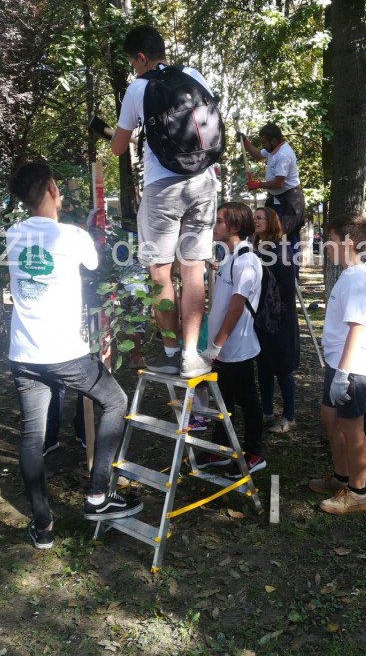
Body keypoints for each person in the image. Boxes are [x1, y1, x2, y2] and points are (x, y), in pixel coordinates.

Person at [6, 160, 142, 549]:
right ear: (51, 189)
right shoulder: (73, 237)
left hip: (24, 353)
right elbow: (96, 264)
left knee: (32, 434)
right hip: (63, 351)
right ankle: (99, 496)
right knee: (115, 400)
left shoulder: (13, 234)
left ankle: (42, 522)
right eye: (58, 187)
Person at [111, 25, 217, 379]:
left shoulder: (138, 88)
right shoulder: (191, 75)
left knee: (160, 271)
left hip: (163, 188)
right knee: (193, 270)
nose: (133, 68)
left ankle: (171, 352)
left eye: (132, 61)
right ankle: (191, 354)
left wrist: (117, 133)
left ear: (140, 57)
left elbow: (117, 147)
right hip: (203, 183)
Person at [309, 213, 366, 514]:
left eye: (331, 240)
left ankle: (358, 493)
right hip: (339, 363)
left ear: (348, 242)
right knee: (330, 417)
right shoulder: (349, 273)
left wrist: (342, 374)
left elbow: (357, 328)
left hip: (352, 366)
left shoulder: (355, 278)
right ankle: (341, 478)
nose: (327, 246)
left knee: (352, 428)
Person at [196, 202, 265, 475]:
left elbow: (236, 308)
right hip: (224, 349)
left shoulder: (248, 260)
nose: (215, 225)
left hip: (237, 348)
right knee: (223, 401)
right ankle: (223, 449)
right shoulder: (231, 257)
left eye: (220, 221)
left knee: (248, 402)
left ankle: (255, 452)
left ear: (235, 227)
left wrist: (215, 346)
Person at [253, 207, 300, 433]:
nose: (255, 221)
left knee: (283, 368)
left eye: (259, 218)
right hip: (261, 318)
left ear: (271, 222)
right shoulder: (257, 249)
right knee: (263, 366)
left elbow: (287, 288)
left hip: (280, 318)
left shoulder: (281, 249)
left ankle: (289, 416)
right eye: (254, 218)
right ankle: (267, 412)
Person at [237, 122, 305, 249]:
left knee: (287, 235)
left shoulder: (284, 154)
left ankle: (290, 266)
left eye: (264, 142)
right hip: (276, 198)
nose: (262, 145)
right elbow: (257, 154)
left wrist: (258, 184)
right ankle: (270, 262)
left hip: (290, 199)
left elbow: (279, 183)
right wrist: (245, 141)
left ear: (274, 140)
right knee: (269, 231)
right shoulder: (272, 149)